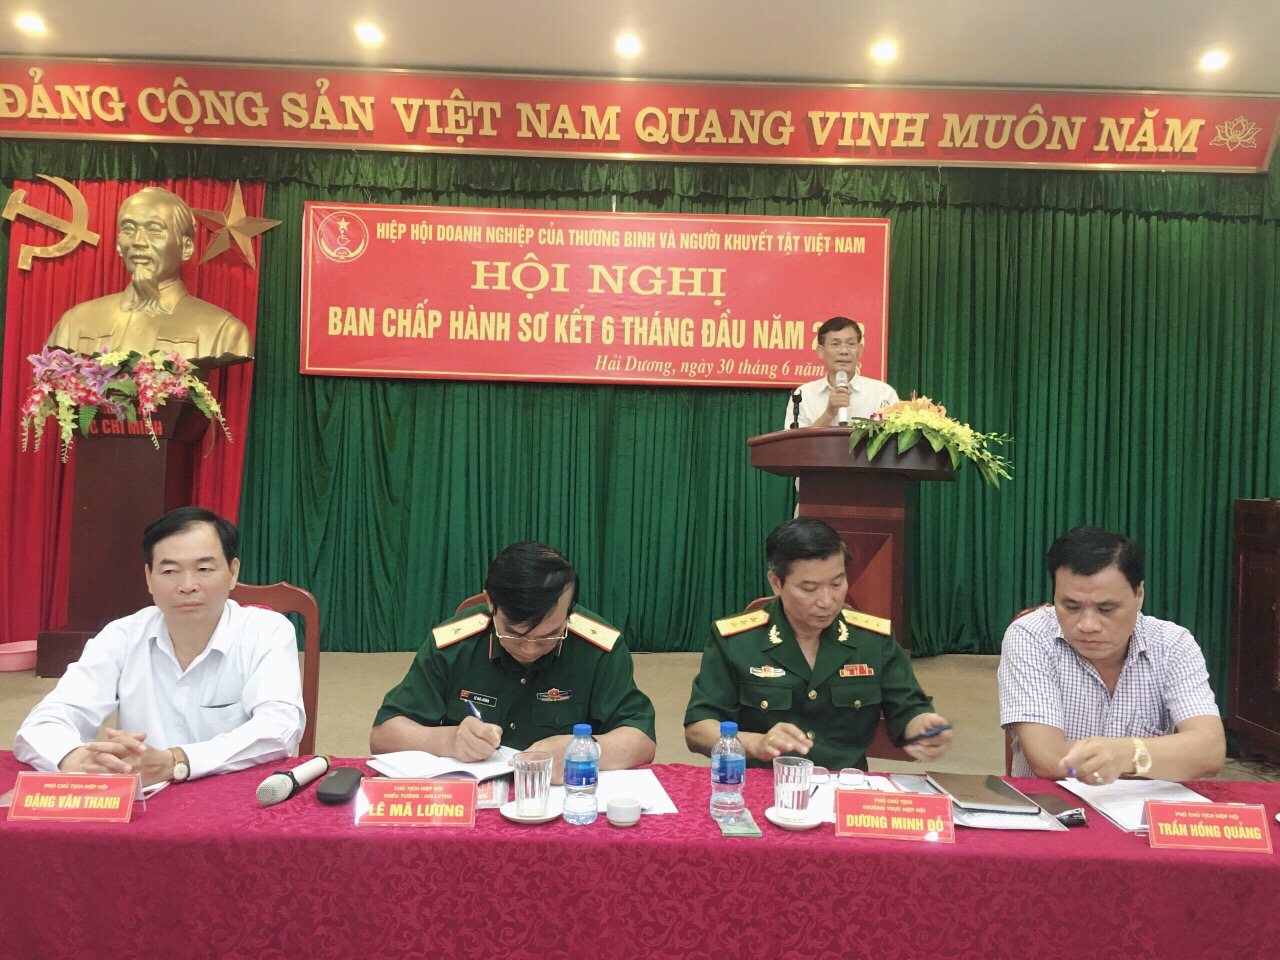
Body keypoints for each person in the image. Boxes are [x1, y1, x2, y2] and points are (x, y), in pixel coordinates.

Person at [14, 507, 305, 785]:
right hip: (143, 799)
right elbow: (43, 723)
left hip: (233, 795)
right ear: (149, 578)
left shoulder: (267, 632)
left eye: (204, 568)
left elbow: (279, 727)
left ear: (232, 573)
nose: (187, 585)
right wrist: (79, 761)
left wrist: (175, 762)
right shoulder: (121, 636)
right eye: (169, 571)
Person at [371, 541, 656, 783]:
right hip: (472, 800)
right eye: (514, 634)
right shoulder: (454, 645)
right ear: (490, 603)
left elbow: (642, 740)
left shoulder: (599, 649)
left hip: (564, 801)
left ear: (569, 613)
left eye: (549, 635)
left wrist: (585, 751)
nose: (530, 649)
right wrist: (450, 741)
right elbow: (383, 736)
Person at [684, 517, 951, 769]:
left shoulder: (872, 639)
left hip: (843, 787)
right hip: (764, 785)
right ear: (776, 583)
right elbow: (698, 729)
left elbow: (909, 709)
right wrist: (755, 743)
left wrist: (923, 726)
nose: (826, 601)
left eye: (837, 584)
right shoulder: (737, 641)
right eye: (809, 589)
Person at [999, 526, 1226, 784]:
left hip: (1142, 805)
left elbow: (1210, 751)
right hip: (1053, 803)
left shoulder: (1171, 644)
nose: (1087, 625)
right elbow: (1049, 760)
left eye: (1106, 609)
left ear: (1139, 595)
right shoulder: (1031, 635)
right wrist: (1150, 757)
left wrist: (1126, 754)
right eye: (1071, 606)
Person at [45, 186, 253, 367]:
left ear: (186, 247)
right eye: (129, 229)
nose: (138, 241)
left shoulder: (223, 331)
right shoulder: (76, 322)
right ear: (119, 244)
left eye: (154, 230)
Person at [784, 316, 898, 429]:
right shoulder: (802, 395)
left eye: (851, 344)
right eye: (835, 344)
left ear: (860, 350)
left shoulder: (883, 393)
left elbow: (894, 437)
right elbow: (795, 440)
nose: (844, 351)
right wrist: (829, 414)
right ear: (821, 351)